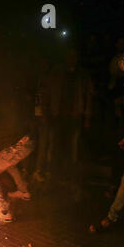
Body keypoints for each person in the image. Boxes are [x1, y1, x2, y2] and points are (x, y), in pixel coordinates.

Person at [0, 97, 35, 223]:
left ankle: (3, 211)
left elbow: (0, 137)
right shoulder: (13, 105)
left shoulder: (2, 112)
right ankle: (24, 191)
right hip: (29, 141)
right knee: (9, 164)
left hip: (17, 145)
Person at [47, 48, 94, 184]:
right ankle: (55, 175)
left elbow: (88, 96)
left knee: (72, 147)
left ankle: (70, 177)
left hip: (74, 116)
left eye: (74, 56)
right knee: (56, 145)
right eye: (69, 55)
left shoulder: (82, 75)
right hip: (59, 115)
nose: (71, 58)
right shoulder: (57, 72)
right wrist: (48, 111)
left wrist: (87, 116)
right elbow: (50, 91)